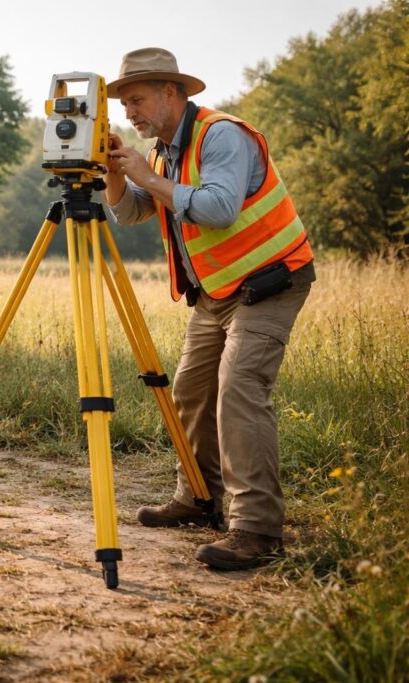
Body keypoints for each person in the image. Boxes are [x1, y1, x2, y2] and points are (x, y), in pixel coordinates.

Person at [102, 47, 315, 570]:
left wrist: (145, 176)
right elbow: (131, 212)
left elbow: (218, 209)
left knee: (239, 392)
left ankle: (257, 531)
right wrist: (114, 171)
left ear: (171, 92)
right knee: (192, 394)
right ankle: (201, 499)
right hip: (217, 294)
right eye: (125, 105)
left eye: (137, 101)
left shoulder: (221, 135)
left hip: (270, 282)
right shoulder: (162, 152)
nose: (130, 113)